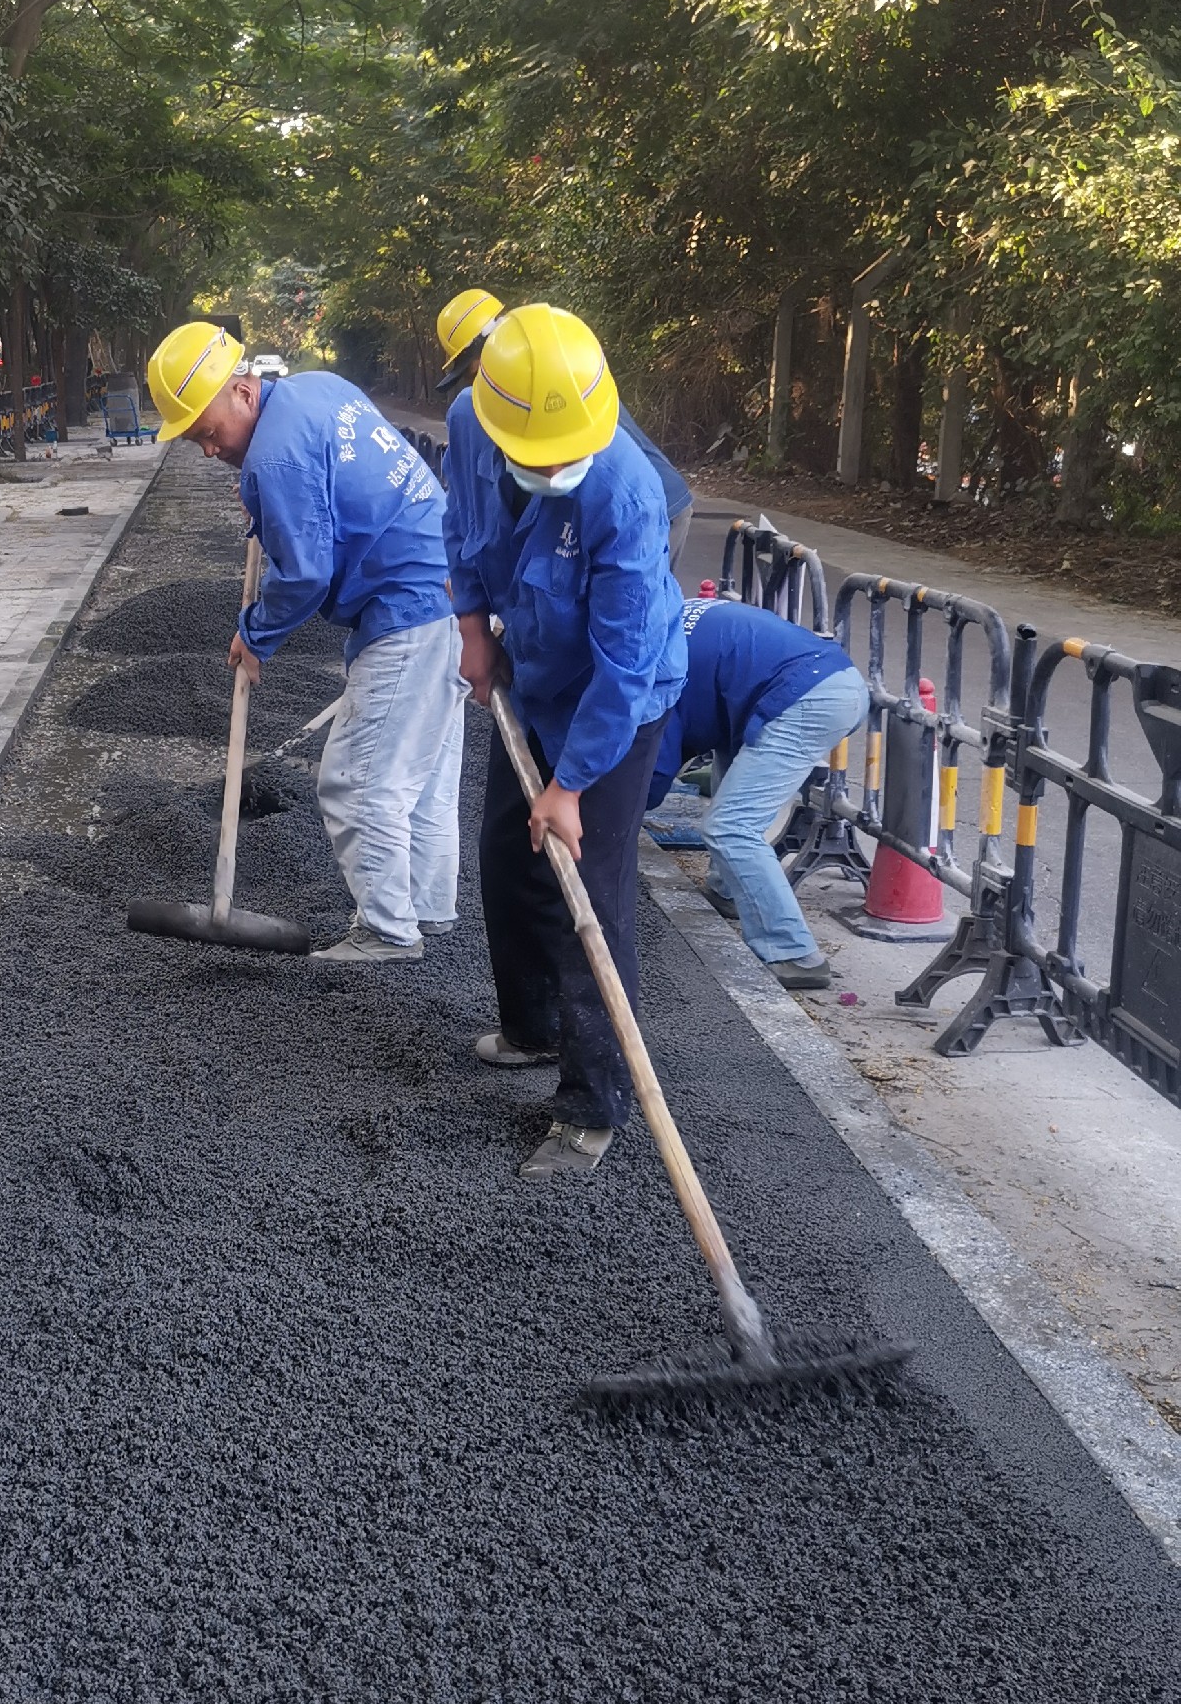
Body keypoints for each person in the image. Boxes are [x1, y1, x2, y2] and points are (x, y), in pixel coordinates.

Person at [446, 302, 686, 1175]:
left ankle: (591, 1105)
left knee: (590, 887)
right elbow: (463, 531)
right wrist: (472, 625)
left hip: (621, 701)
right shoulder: (472, 422)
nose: (556, 466)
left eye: (568, 454)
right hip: (534, 676)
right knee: (509, 855)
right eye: (536, 455)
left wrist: (572, 786)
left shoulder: (626, 489)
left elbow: (623, 666)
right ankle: (529, 1030)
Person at [147, 321, 461, 963]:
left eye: (207, 433)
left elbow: (307, 573)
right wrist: (267, 507)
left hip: (405, 607)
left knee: (358, 781)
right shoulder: (315, 390)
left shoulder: (276, 455)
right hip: (450, 590)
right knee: (421, 779)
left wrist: (255, 634)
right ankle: (429, 912)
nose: (208, 451)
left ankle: (387, 934)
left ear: (240, 390)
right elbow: (328, 491)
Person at [648, 596, 869, 991]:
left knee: (731, 827)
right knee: (729, 781)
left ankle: (794, 954)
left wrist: (601, 815)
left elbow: (654, 768)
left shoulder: (649, 661)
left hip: (806, 696)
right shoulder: (662, 614)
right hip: (806, 682)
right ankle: (729, 890)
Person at [434, 287, 696, 563]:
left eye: (475, 375)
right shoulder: (526, 383)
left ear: (490, 347)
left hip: (655, 507)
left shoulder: (550, 377)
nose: (478, 390)